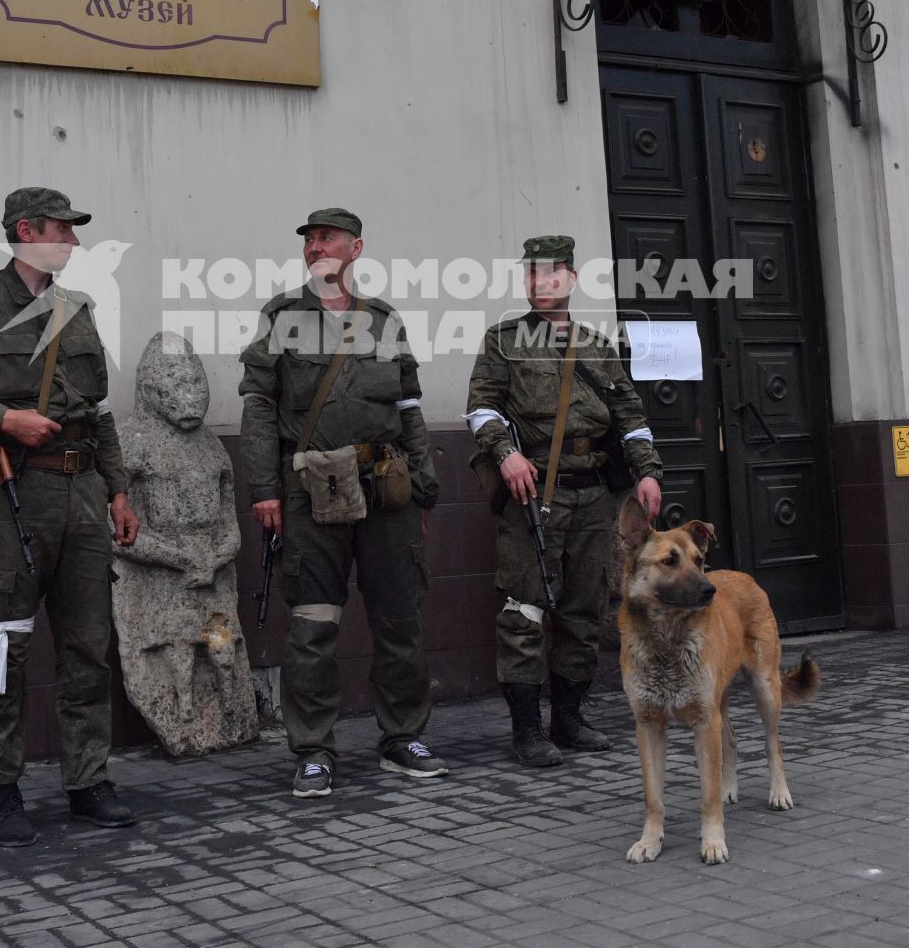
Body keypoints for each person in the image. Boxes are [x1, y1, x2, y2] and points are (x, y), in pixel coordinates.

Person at [0, 187, 143, 848]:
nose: (72, 241)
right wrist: (4, 419)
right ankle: (4, 790)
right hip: (14, 495)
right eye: (62, 230)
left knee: (87, 648)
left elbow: (97, 413)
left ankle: (87, 783)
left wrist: (118, 492)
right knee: (6, 648)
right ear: (26, 230)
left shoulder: (78, 309)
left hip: (83, 493)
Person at [238, 207, 443, 798]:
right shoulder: (282, 315)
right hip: (310, 494)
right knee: (312, 626)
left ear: (356, 249)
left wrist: (425, 488)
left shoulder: (383, 320)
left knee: (399, 620)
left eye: (328, 238)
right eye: (309, 239)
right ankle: (313, 751)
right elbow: (257, 406)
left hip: (387, 492)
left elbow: (409, 409)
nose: (315, 247)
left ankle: (403, 738)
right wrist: (264, 489)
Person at [464, 234, 663, 767]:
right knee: (524, 610)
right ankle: (527, 730)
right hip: (535, 494)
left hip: (595, 496)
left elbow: (632, 418)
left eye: (550, 274)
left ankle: (569, 718)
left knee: (585, 610)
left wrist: (647, 474)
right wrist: (505, 454)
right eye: (531, 275)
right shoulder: (503, 340)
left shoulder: (597, 346)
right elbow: (481, 409)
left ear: (571, 280)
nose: (539, 283)